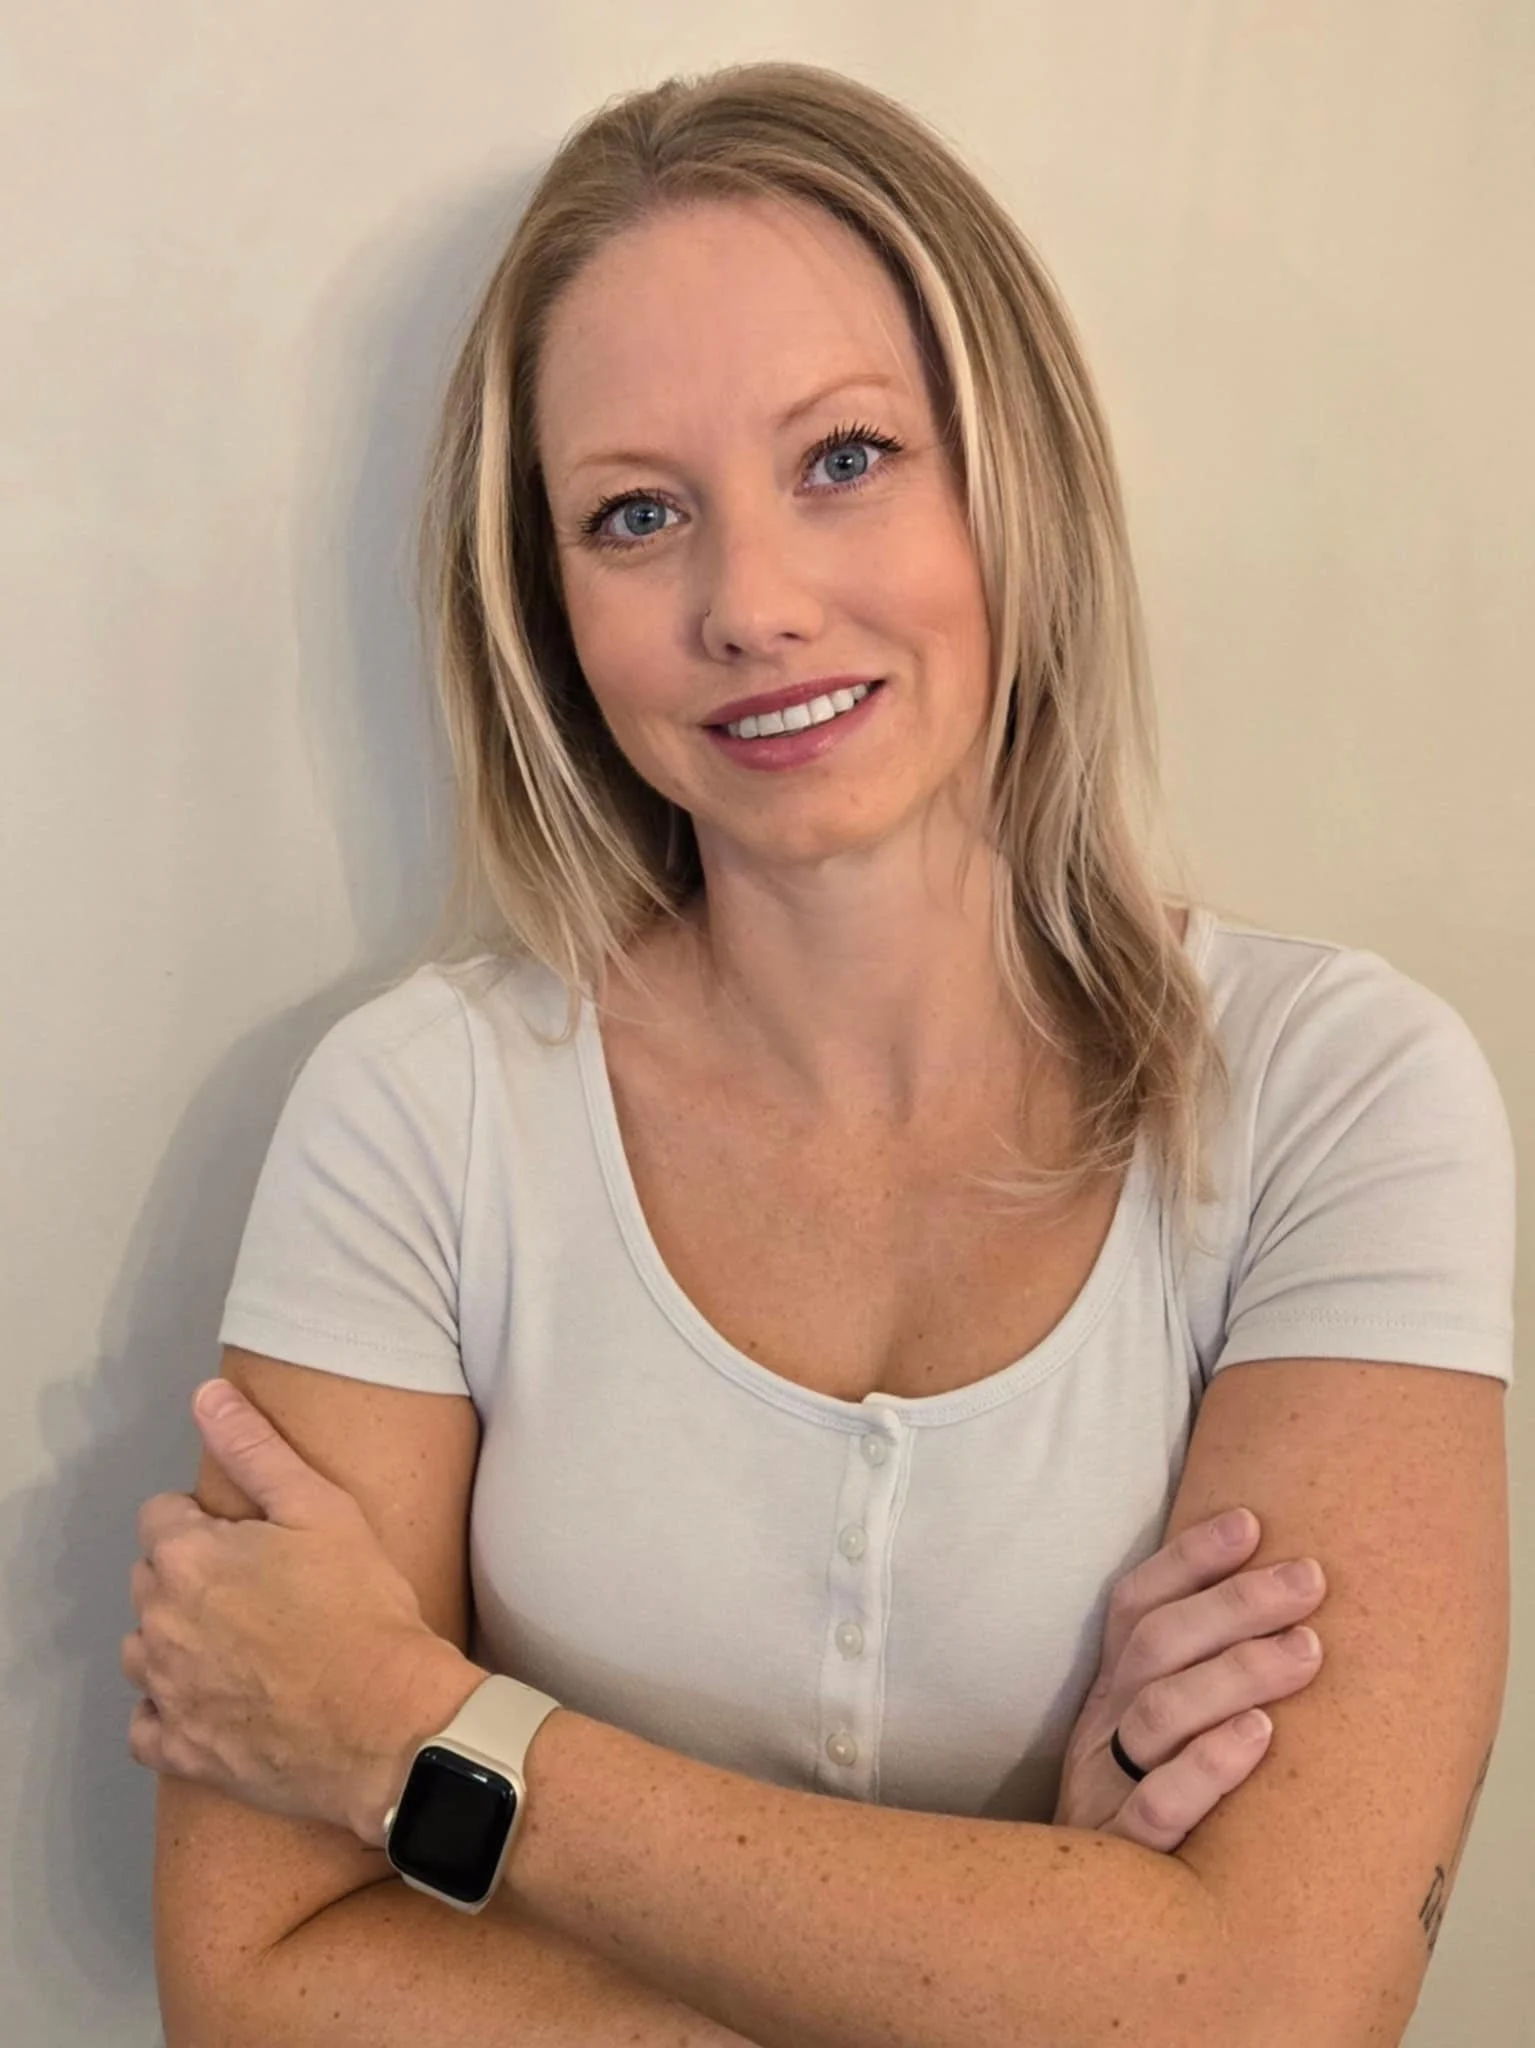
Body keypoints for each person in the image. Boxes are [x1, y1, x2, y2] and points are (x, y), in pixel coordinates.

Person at [129, 60, 1513, 2048]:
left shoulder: (1338, 1097)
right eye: (633, 514)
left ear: (1003, 473)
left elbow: (1277, 2003)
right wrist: (1046, 1941)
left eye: (843, 459)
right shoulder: (416, 1112)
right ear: (547, 608)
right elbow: (255, 1988)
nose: (750, 605)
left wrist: (425, 1741)